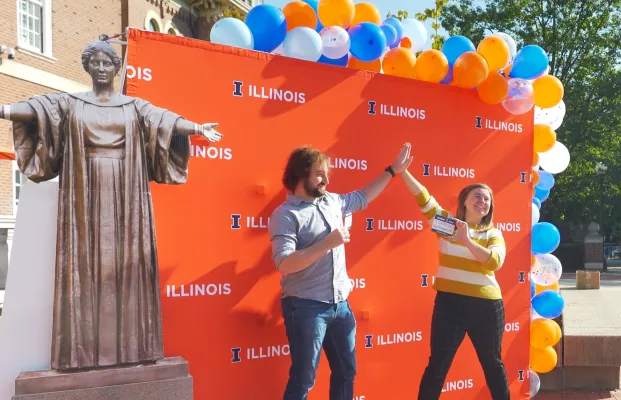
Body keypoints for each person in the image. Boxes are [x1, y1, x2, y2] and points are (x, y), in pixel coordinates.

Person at [0, 40, 223, 371]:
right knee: (84, 267)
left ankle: (132, 349)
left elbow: (165, 121)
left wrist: (197, 128)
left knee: (126, 267)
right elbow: (35, 110)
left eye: (108, 63)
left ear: (117, 68)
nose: (102, 68)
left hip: (126, 194)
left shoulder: (134, 107)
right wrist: (4, 110)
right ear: (87, 67)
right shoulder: (69, 103)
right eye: (96, 62)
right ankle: (81, 353)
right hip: (84, 194)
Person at [269, 143, 413, 400]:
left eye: (326, 173)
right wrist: (327, 244)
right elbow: (284, 263)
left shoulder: (333, 201)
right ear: (301, 175)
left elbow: (363, 197)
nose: (325, 178)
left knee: (346, 372)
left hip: (340, 306)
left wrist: (393, 171)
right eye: (319, 173)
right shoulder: (285, 214)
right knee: (303, 379)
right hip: (305, 306)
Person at [395, 154, 510, 400]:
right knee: (437, 365)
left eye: (487, 199)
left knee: (492, 364)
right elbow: (425, 202)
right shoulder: (449, 226)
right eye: (477, 196)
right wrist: (403, 172)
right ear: (465, 202)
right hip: (449, 304)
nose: (483, 201)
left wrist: (467, 240)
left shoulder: (493, 234)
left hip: (487, 307)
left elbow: (494, 261)